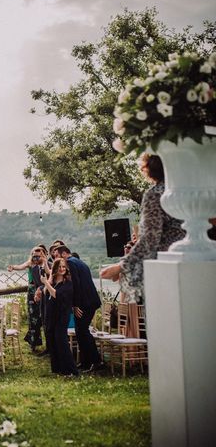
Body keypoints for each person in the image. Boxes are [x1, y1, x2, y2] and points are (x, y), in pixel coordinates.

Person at [100, 154, 185, 304]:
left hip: (164, 270)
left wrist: (121, 266)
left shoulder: (155, 194)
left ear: (148, 168)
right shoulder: (184, 192)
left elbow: (150, 240)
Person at [55, 245, 102, 372]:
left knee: (83, 331)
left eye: (57, 256)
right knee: (80, 331)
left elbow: (76, 284)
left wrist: (75, 305)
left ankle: (96, 361)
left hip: (85, 303)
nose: (57, 259)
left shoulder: (70, 262)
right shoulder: (79, 262)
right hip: (89, 301)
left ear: (64, 254)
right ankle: (85, 361)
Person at [41, 258, 78, 376]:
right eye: (59, 267)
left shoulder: (68, 283)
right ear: (55, 269)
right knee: (52, 341)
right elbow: (45, 292)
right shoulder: (54, 282)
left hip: (62, 315)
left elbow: (56, 295)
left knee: (61, 341)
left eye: (64, 267)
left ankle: (71, 370)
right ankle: (58, 368)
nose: (62, 269)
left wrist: (45, 282)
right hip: (52, 315)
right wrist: (49, 279)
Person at [8, 247, 47, 352]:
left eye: (38, 255)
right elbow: (21, 266)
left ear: (43, 255)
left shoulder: (46, 264)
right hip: (32, 291)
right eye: (34, 255)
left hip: (44, 290)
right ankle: (33, 342)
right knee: (33, 317)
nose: (35, 257)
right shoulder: (30, 263)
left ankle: (49, 345)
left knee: (43, 316)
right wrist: (13, 267)